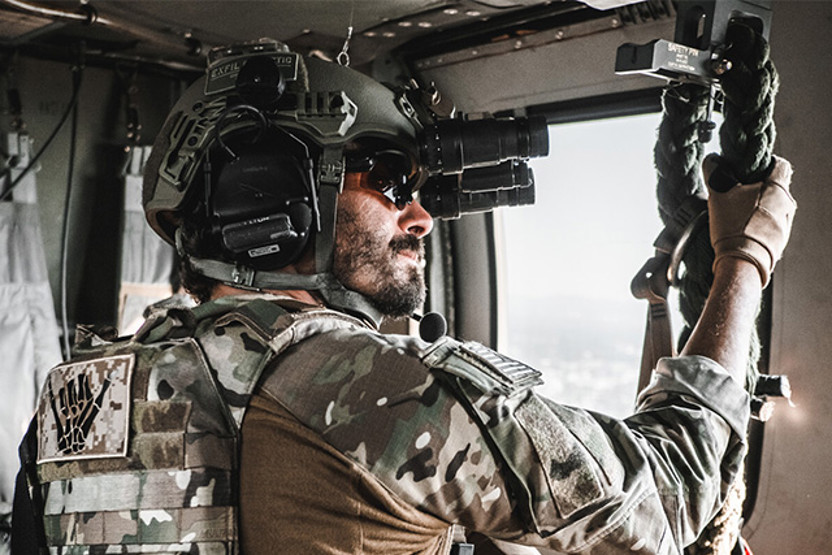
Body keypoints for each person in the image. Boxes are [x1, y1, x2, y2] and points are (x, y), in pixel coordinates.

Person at [13, 39, 796, 555]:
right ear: (272, 189)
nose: (420, 215)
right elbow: (669, 494)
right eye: (388, 179)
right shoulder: (370, 388)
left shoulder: (86, 392)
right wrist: (742, 258)